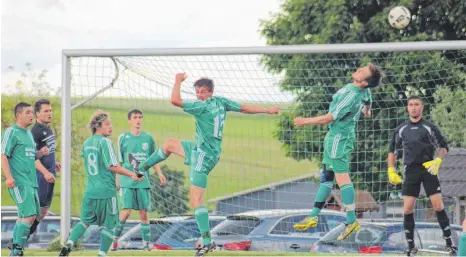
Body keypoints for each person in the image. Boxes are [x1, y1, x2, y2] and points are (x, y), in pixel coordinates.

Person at [138, 73, 279, 256]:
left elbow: (175, 100)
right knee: (169, 144)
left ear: (210, 92)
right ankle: (141, 168)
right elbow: (243, 108)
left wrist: (178, 81)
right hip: (202, 149)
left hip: (203, 156)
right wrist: (267, 110)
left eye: (203, 92)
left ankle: (207, 242)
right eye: (197, 92)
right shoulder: (220, 102)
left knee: (196, 200)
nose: (199, 96)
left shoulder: (202, 107)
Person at [293, 63, 384, 241]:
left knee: (342, 178)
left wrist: (304, 121)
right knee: (327, 176)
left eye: (362, 72)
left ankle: (351, 221)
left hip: (339, 140)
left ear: (364, 82)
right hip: (335, 137)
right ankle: (313, 215)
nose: (358, 70)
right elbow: (367, 100)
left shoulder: (350, 96)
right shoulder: (364, 91)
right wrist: (367, 110)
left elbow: (329, 118)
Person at [59, 110, 143, 257]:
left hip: (90, 191)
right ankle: (101, 254)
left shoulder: (87, 142)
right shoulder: (105, 142)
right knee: (111, 225)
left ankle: (70, 243)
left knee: (84, 222)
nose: (111, 127)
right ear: (98, 126)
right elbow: (112, 166)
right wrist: (132, 174)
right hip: (106, 192)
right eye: (107, 124)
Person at [387, 95, 456, 255]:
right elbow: (392, 151)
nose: (413, 107)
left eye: (416, 104)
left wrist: (438, 160)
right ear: (407, 107)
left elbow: (444, 147)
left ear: (422, 107)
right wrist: (391, 169)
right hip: (410, 170)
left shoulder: (429, 127)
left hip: (428, 169)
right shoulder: (401, 129)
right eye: (410, 104)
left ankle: (449, 244)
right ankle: (411, 247)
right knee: (407, 209)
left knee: (438, 205)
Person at [1, 102, 55, 256]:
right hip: (19, 182)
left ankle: (16, 249)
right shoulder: (11, 132)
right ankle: (16, 251)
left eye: (32, 112)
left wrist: (41, 157)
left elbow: (31, 158)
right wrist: (8, 177)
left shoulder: (28, 135)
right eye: (28, 112)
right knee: (29, 216)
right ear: (18, 115)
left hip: (32, 182)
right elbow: (3, 154)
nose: (31, 115)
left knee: (30, 216)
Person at [112, 109, 167, 251]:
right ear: (129, 120)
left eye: (140, 117)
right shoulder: (123, 138)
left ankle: (146, 245)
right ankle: (114, 242)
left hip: (143, 180)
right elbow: (119, 162)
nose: (138, 120)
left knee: (143, 213)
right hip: (126, 180)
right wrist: (117, 180)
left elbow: (153, 158)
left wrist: (159, 173)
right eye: (135, 117)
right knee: (126, 211)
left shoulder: (148, 138)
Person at [27, 99, 61, 240]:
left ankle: (20, 241)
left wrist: (54, 162)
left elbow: (46, 151)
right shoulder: (35, 131)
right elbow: (31, 156)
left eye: (50, 110)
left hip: (50, 174)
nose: (49, 113)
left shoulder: (48, 129)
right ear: (37, 113)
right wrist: (45, 171)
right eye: (46, 111)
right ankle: (17, 244)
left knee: (43, 211)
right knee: (33, 213)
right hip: (40, 176)